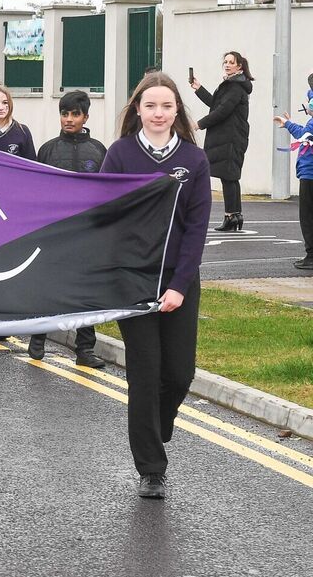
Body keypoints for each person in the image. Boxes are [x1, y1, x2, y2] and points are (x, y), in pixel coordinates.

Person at [101, 72, 211, 500]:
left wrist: (181, 285)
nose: (159, 113)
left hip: (180, 282)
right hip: (133, 283)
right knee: (144, 376)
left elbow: (197, 229)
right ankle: (151, 468)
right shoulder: (121, 154)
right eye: (151, 106)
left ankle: (158, 423)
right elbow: (103, 216)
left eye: (167, 106)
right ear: (138, 110)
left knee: (179, 374)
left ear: (177, 111)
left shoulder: (194, 161)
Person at [27, 90, 108, 367]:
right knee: (47, 286)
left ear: (85, 116)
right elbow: (36, 190)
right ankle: (37, 339)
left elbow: (107, 190)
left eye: (75, 114)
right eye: (64, 113)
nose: (69, 119)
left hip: (87, 234)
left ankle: (84, 350)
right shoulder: (48, 149)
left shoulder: (98, 150)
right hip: (55, 232)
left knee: (84, 290)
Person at [191, 52, 253, 232]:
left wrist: (199, 124)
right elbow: (216, 104)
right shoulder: (232, 85)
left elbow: (223, 111)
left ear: (239, 66)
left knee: (229, 177)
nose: (227, 65)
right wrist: (199, 88)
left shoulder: (235, 86)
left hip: (232, 138)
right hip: (229, 137)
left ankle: (232, 216)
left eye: (231, 62)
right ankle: (234, 215)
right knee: (230, 177)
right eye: (225, 62)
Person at [274, 110, 313, 270]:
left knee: (308, 216)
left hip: (310, 173)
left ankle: (311, 255)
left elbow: (304, 135)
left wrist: (288, 124)